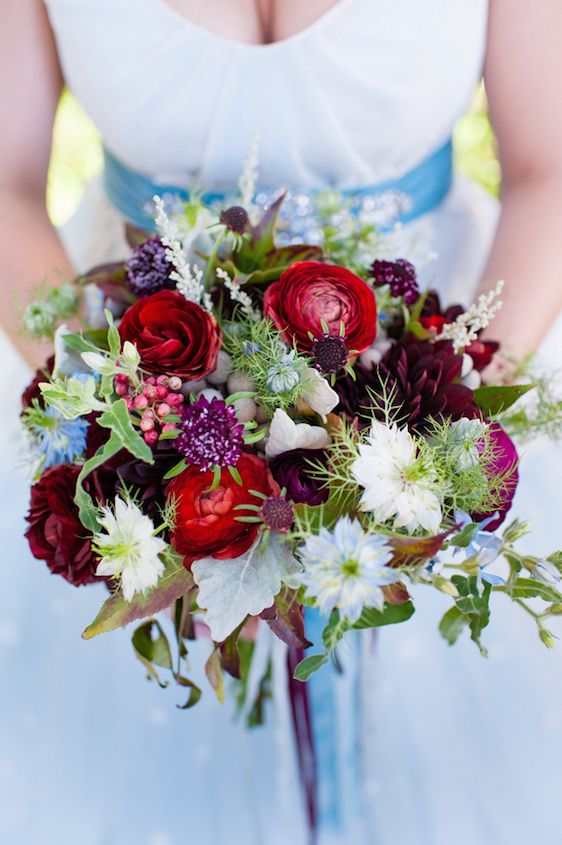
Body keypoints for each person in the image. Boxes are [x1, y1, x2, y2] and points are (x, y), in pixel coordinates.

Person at [1, 2, 562, 843]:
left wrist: (439, 444)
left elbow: (547, 169)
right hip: (132, 364)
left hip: (442, 345)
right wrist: (138, 429)